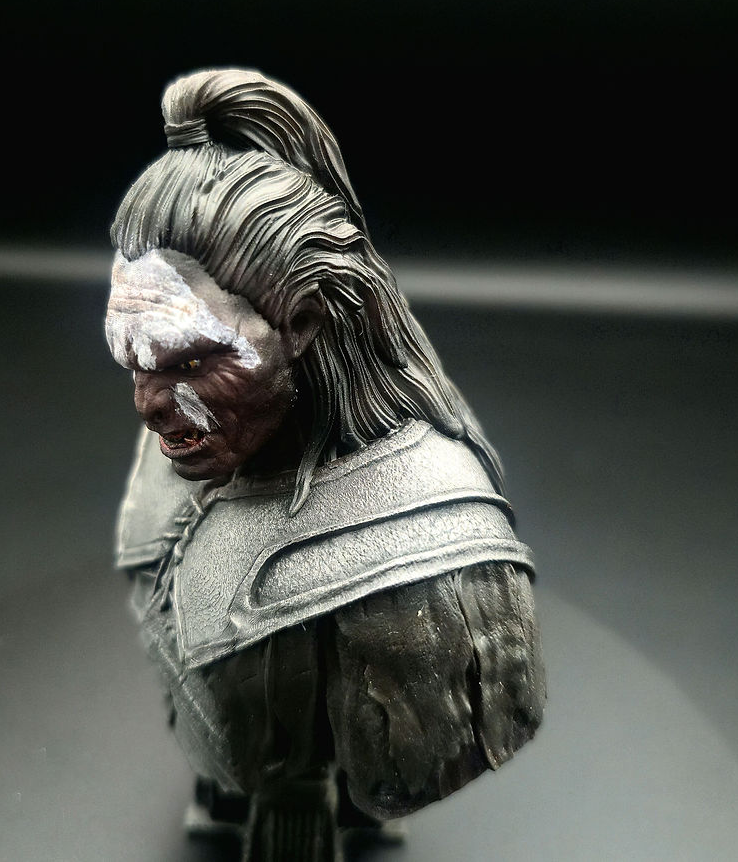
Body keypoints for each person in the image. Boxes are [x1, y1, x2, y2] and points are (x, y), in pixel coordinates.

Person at [104, 69, 546, 861]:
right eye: (133, 358)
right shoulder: (187, 439)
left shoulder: (431, 524)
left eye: (192, 360)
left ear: (302, 322)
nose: (149, 403)